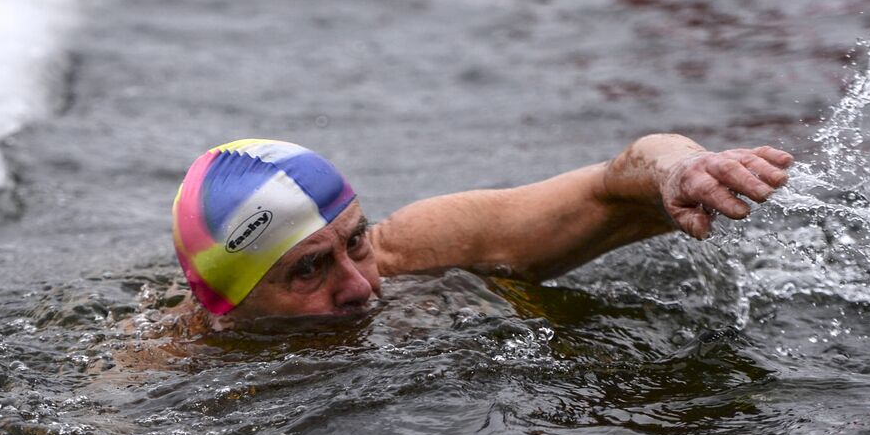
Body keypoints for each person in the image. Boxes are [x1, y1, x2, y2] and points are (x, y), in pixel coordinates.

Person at [172, 136, 793, 328]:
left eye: (355, 240)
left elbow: (611, 186)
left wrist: (681, 169)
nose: (362, 285)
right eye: (309, 269)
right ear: (227, 300)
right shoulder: (176, 371)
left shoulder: (415, 249)